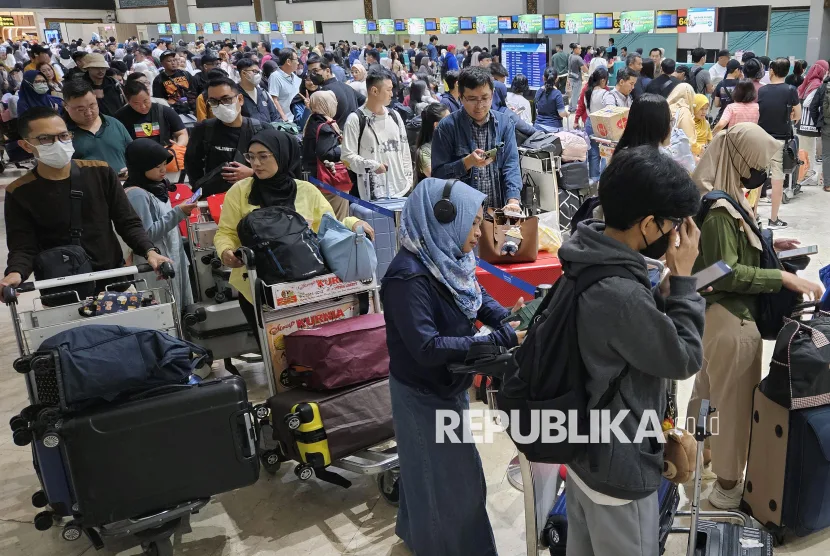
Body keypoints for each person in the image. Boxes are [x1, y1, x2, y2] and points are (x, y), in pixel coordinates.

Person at [559, 145, 705, 556]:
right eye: (673, 224)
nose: (677, 234)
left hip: (582, 451)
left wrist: (661, 295)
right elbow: (683, 358)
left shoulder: (585, 253)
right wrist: (685, 284)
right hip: (619, 469)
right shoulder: (621, 293)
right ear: (647, 224)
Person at [687, 123, 824, 510]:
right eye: (758, 164)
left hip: (716, 321)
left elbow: (722, 260)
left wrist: (768, 246)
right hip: (732, 323)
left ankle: (700, 457)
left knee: (707, 396)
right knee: (731, 409)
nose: (761, 172)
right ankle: (728, 487)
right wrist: (778, 276)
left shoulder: (727, 200)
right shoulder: (719, 210)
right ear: (739, 160)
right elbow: (719, 272)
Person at [381, 177, 520, 556]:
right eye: (473, 224)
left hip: (445, 384)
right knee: (456, 485)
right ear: (442, 219)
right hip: (421, 395)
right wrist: (493, 340)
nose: (479, 234)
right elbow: (426, 347)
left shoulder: (445, 257)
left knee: (428, 473)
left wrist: (504, 319)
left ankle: (419, 536)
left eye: (480, 223)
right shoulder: (407, 277)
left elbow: (474, 296)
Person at [213, 128, 374, 340]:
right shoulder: (240, 192)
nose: (256, 164)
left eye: (263, 156)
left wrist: (354, 222)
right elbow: (225, 232)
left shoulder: (306, 190)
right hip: (258, 288)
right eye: (251, 157)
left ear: (283, 155)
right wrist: (226, 251)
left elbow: (330, 226)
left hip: (306, 287)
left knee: (310, 347)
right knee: (274, 355)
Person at [0, 106, 170, 295]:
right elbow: (23, 246)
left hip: (113, 282)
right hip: (61, 289)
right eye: (45, 139)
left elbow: (127, 222)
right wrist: (15, 273)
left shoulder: (100, 172)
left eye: (63, 136)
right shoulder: (20, 191)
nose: (58, 143)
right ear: (26, 145)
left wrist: (149, 251)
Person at [432, 67, 522, 213]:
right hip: (461, 214)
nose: (480, 105)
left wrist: (513, 199)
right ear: (460, 97)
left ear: (492, 95)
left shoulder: (505, 123)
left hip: (496, 211)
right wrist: (467, 163)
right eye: (472, 99)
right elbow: (437, 175)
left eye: (485, 98)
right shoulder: (447, 127)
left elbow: (511, 165)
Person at [122, 139, 195, 308]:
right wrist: (179, 212)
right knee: (167, 312)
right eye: (157, 166)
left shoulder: (157, 187)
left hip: (173, 256)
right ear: (141, 166)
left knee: (183, 310)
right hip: (156, 266)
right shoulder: (137, 195)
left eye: (164, 164)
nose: (163, 170)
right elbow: (146, 235)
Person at [341, 70, 413, 199]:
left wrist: (408, 180)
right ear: (374, 91)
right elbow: (347, 157)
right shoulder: (356, 119)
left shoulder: (394, 116)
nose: (392, 94)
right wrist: (372, 166)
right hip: (371, 194)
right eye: (389, 90)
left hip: (401, 190)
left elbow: (405, 150)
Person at [184, 78, 259, 196]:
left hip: (252, 196)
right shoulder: (204, 129)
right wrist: (201, 190)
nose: (221, 105)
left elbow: (276, 170)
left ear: (239, 99)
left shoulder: (260, 130)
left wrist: (252, 173)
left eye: (226, 99)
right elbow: (192, 165)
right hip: (215, 199)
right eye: (213, 101)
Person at [757, 57, 801, 229]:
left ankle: (752, 215)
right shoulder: (791, 90)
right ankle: (774, 219)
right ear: (787, 72)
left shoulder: (761, 90)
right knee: (777, 180)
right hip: (780, 141)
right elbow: (797, 115)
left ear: (772, 71)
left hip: (760, 139)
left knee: (757, 179)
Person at [63, 78, 132, 174]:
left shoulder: (113, 123)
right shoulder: (62, 134)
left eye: (92, 105)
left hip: (125, 183)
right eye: (80, 109)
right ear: (66, 106)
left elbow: (133, 153)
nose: (89, 113)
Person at [301, 90, 349, 219]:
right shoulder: (325, 127)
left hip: (315, 178)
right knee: (337, 219)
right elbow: (325, 153)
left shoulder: (312, 120)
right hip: (329, 182)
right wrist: (344, 149)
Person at [115, 80, 187, 147]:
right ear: (128, 101)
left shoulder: (164, 111)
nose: (143, 106)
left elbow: (182, 133)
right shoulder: (120, 117)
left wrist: (177, 147)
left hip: (166, 154)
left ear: (149, 95)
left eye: (145, 101)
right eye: (136, 103)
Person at [795, 60, 829, 186]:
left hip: (802, 120)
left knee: (804, 148)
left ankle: (804, 174)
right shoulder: (816, 84)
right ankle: (806, 175)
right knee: (808, 150)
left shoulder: (808, 81)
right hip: (809, 122)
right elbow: (809, 102)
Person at [308, 57, 364, 130]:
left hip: (336, 136)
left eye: (315, 71)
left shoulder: (324, 92)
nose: (312, 75)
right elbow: (365, 101)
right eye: (309, 72)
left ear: (327, 71)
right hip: (354, 132)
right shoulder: (346, 86)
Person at [584, 67, 610, 182]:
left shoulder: (588, 92)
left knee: (593, 152)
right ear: (603, 80)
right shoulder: (605, 94)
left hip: (590, 122)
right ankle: (604, 179)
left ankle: (593, 178)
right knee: (605, 152)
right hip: (603, 124)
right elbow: (610, 109)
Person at [80, 52, 126, 117]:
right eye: (96, 67)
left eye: (103, 67)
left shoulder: (113, 82)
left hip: (119, 121)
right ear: (88, 68)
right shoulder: (81, 86)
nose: (101, 70)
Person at [235, 58, 279, 123]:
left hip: (269, 131)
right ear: (244, 73)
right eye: (255, 72)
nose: (258, 75)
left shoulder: (263, 93)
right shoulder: (234, 95)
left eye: (259, 72)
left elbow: (275, 116)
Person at [415, 103, 450, 182]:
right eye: (449, 120)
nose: (452, 122)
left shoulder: (450, 144)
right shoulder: (424, 151)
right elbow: (437, 178)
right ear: (437, 125)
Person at [152, 51, 195, 115]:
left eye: (174, 60)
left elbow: (194, 90)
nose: (173, 63)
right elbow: (159, 100)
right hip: (173, 112)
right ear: (162, 64)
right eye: (169, 61)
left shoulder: (185, 74)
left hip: (190, 109)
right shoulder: (158, 80)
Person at [268, 48, 301, 123]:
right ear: (288, 62)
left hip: (298, 118)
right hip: (286, 121)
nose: (298, 63)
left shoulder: (296, 77)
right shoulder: (275, 77)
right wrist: (284, 118)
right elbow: (274, 100)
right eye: (296, 59)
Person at [534, 68, 568, 132]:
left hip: (537, 127)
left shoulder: (539, 91)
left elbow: (537, 110)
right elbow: (561, 113)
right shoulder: (557, 93)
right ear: (557, 79)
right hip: (553, 128)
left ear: (543, 78)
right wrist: (566, 113)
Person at [568, 44, 588, 112]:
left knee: (573, 94)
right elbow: (584, 68)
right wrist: (589, 71)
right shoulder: (578, 58)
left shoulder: (570, 56)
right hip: (576, 79)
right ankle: (573, 108)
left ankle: (570, 107)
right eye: (579, 48)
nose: (581, 50)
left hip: (571, 77)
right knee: (575, 94)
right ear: (575, 49)